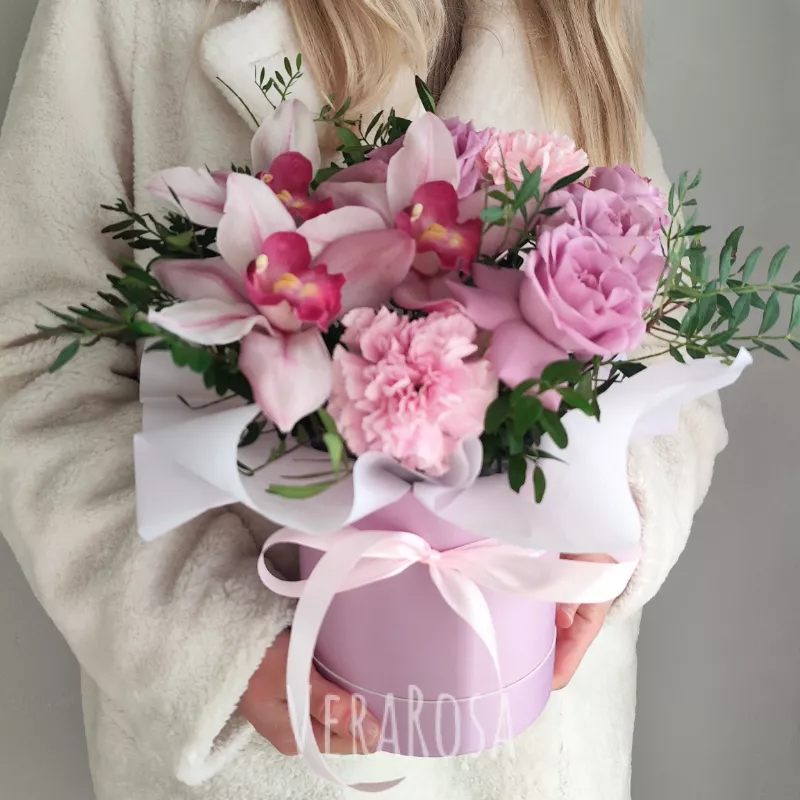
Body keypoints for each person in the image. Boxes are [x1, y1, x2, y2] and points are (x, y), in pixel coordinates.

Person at [0, 1, 729, 798]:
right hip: (274, 760)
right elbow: (37, 366)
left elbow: (669, 345)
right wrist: (215, 649)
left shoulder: (573, 18)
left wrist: (611, 525)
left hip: (542, 749)